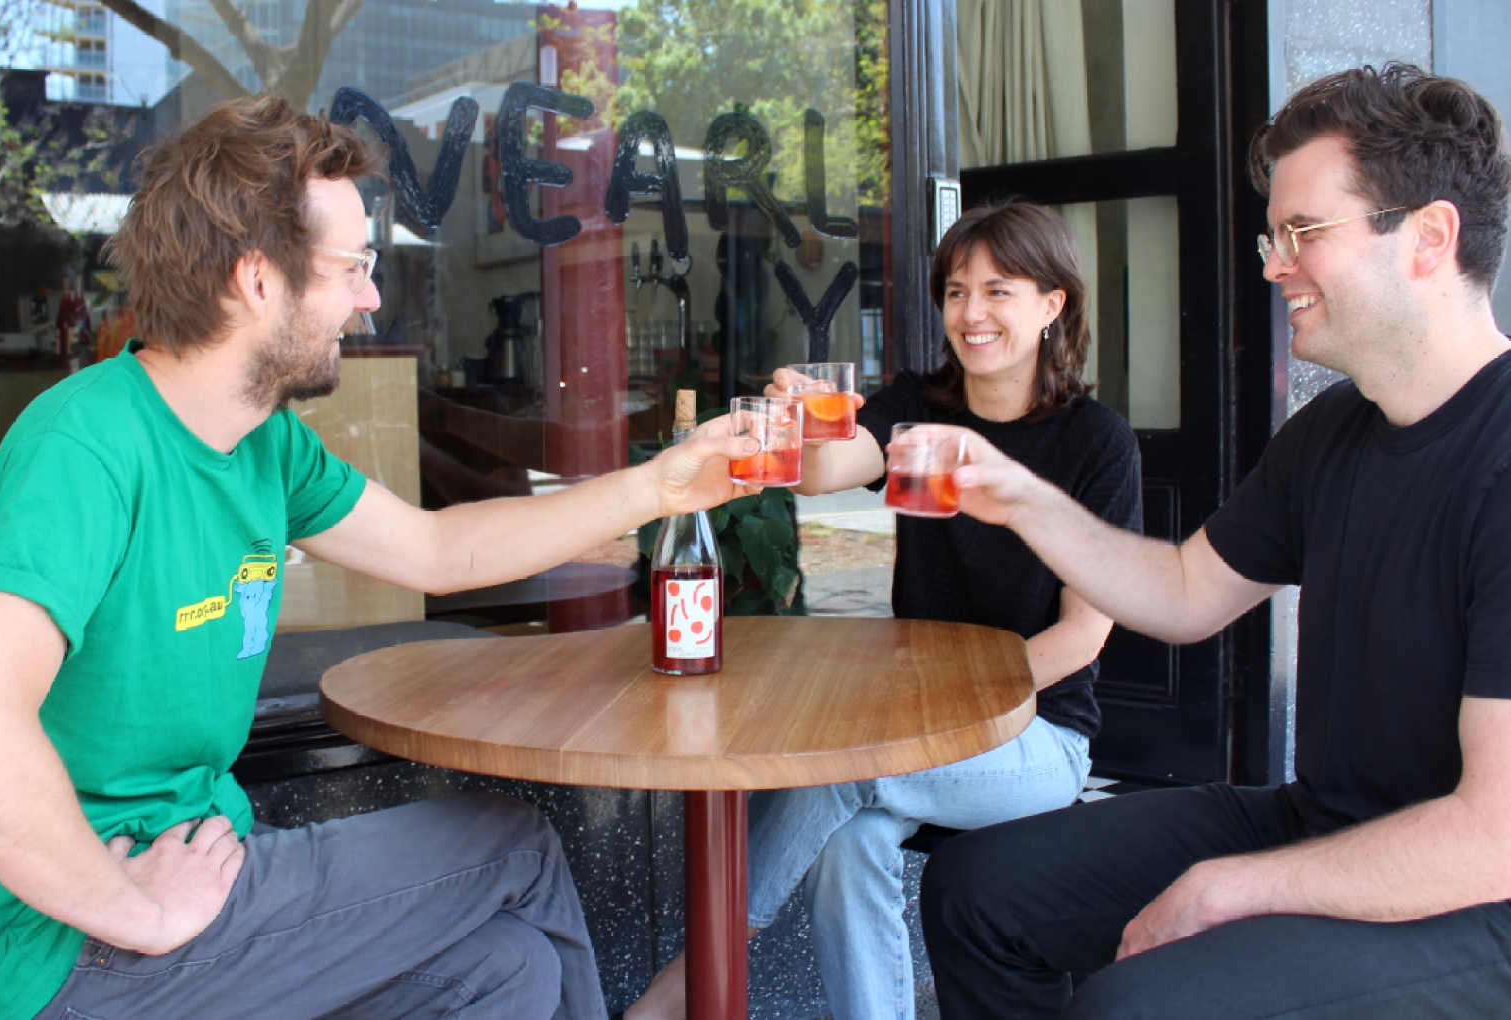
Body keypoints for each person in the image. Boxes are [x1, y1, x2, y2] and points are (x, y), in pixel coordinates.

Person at [0, 95, 761, 1020]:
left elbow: (440, 549)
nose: (371, 296)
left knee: (509, 969)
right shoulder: (85, 444)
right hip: (72, 940)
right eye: (354, 267)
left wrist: (662, 487)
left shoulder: (265, 443)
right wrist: (137, 913)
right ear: (257, 280)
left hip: (208, 870)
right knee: (513, 844)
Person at [919, 63, 1511, 1020]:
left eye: (1303, 233)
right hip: (1319, 819)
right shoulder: (1332, 432)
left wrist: (1232, 887)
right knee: (976, 889)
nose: (1273, 264)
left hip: (1478, 902)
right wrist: (1023, 498)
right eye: (1273, 236)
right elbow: (1187, 594)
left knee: (1136, 1005)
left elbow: (1496, 839)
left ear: (1429, 237)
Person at [620, 200, 1142, 1020]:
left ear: (1053, 303)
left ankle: (685, 985)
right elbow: (829, 473)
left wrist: (954, 714)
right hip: (914, 728)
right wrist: (799, 413)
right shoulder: (922, 406)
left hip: (1037, 738)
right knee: (849, 848)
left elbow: (1084, 635)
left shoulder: (1096, 442)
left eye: (999, 291)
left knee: (848, 768)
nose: (972, 313)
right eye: (957, 291)